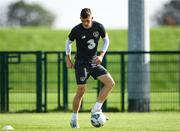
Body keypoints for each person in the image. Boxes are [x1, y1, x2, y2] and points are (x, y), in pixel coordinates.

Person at [65, 8, 115, 128]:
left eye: (87, 20)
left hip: (94, 62)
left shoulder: (99, 27)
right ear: (80, 19)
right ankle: (74, 119)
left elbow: (106, 40)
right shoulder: (76, 29)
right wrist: (68, 59)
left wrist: (101, 55)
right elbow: (68, 43)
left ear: (92, 18)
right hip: (81, 63)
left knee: (110, 83)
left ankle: (96, 109)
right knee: (81, 90)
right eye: (83, 21)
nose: (85, 23)